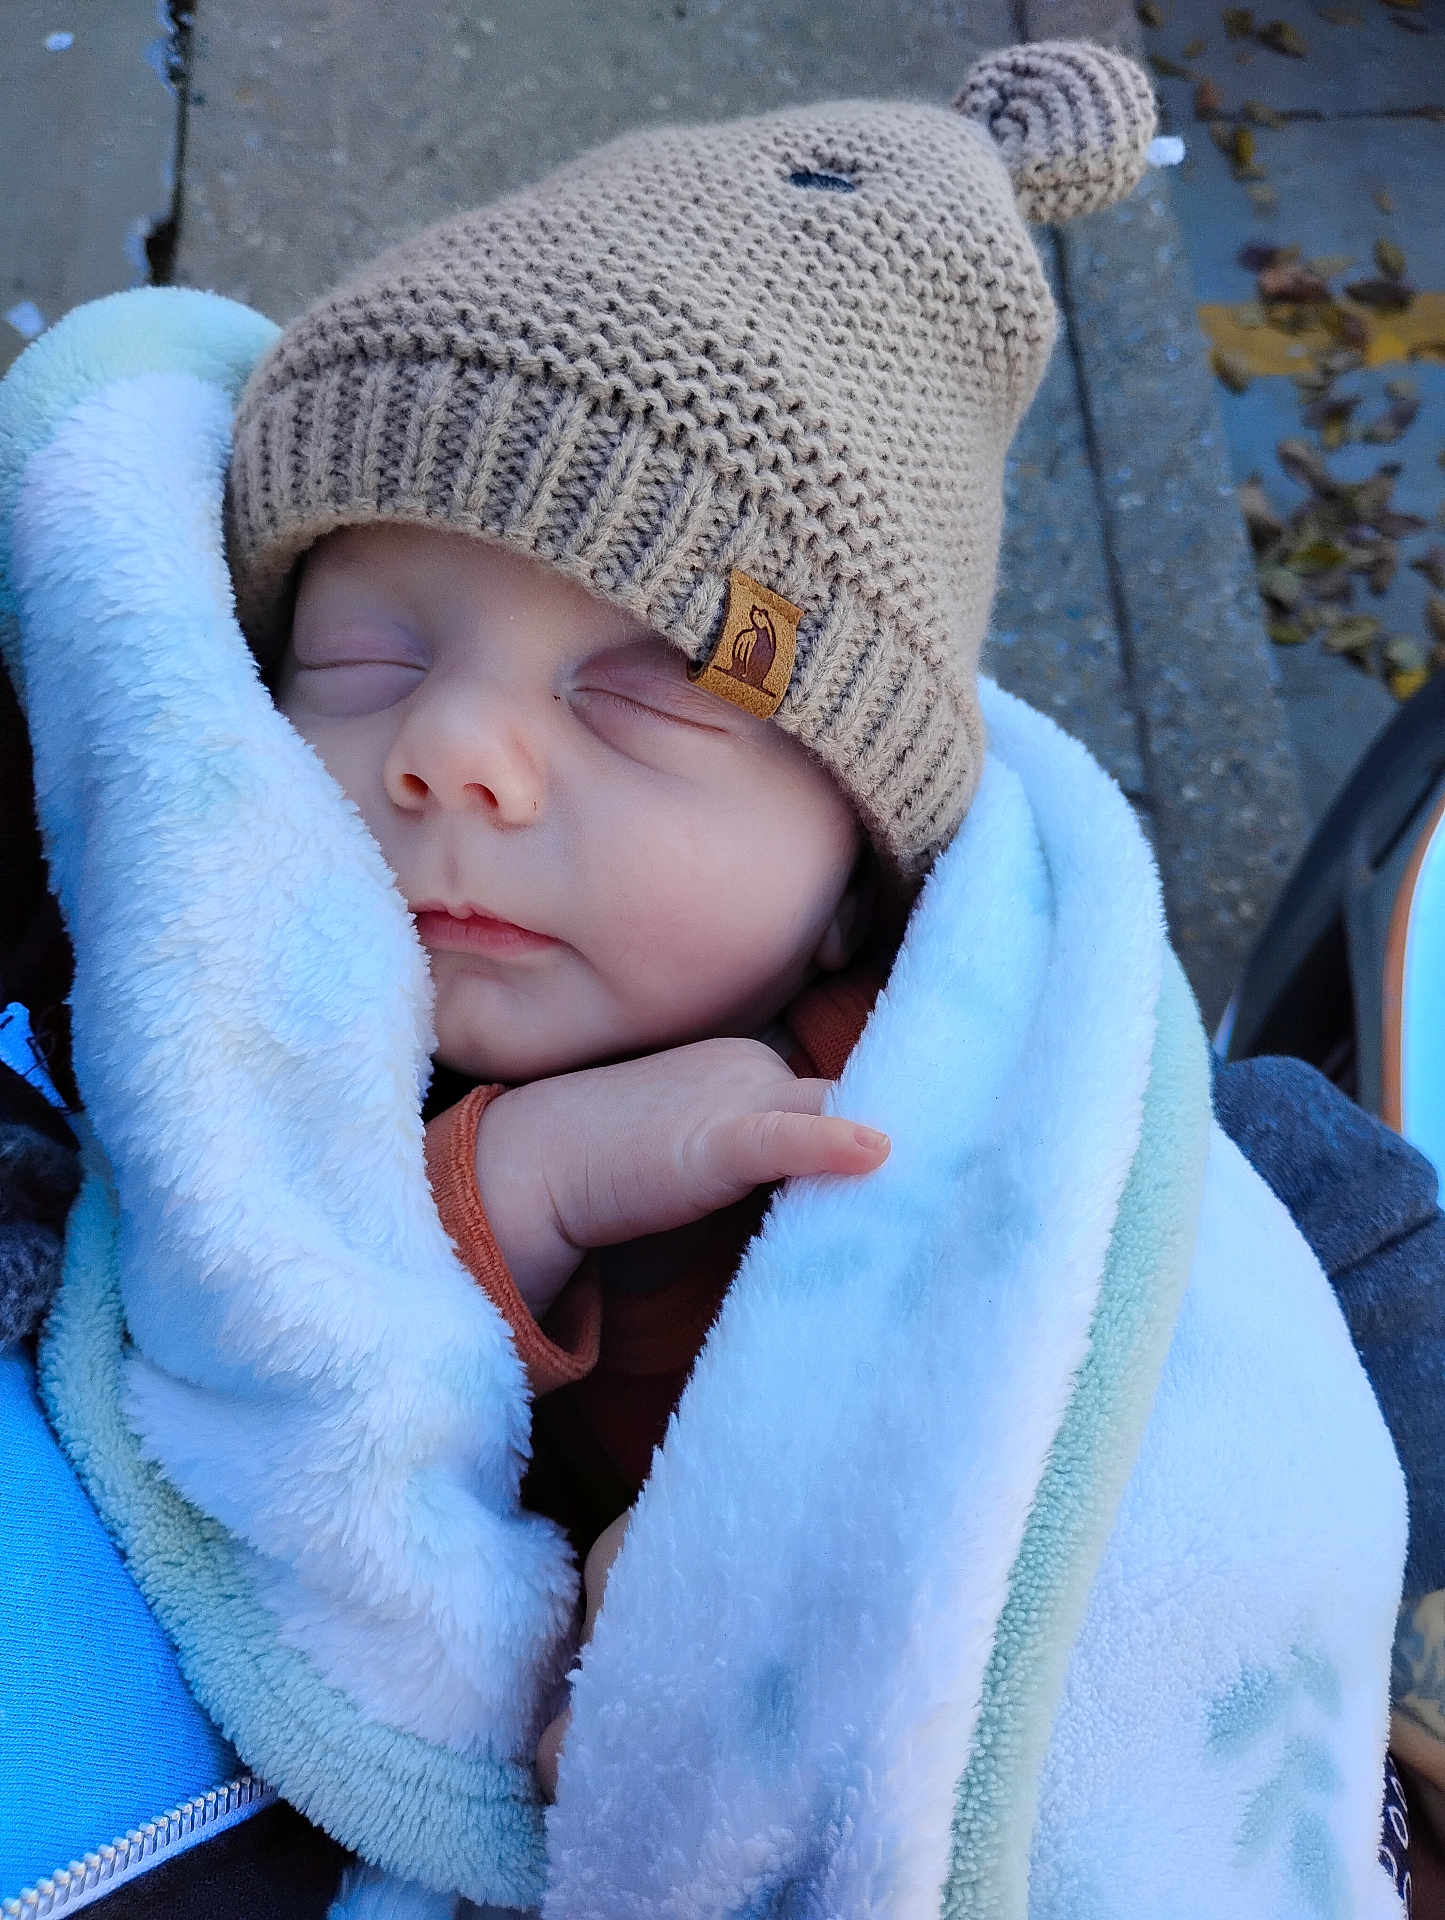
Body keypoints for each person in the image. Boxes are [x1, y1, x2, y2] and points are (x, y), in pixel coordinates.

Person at [2, 32, 1442, 1919]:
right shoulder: (226, 1076)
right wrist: (507, 1196)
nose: (455, 751)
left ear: (861, 865)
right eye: (361, 657)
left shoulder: (1147, 1161)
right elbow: (271, 1391)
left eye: (651, 695)